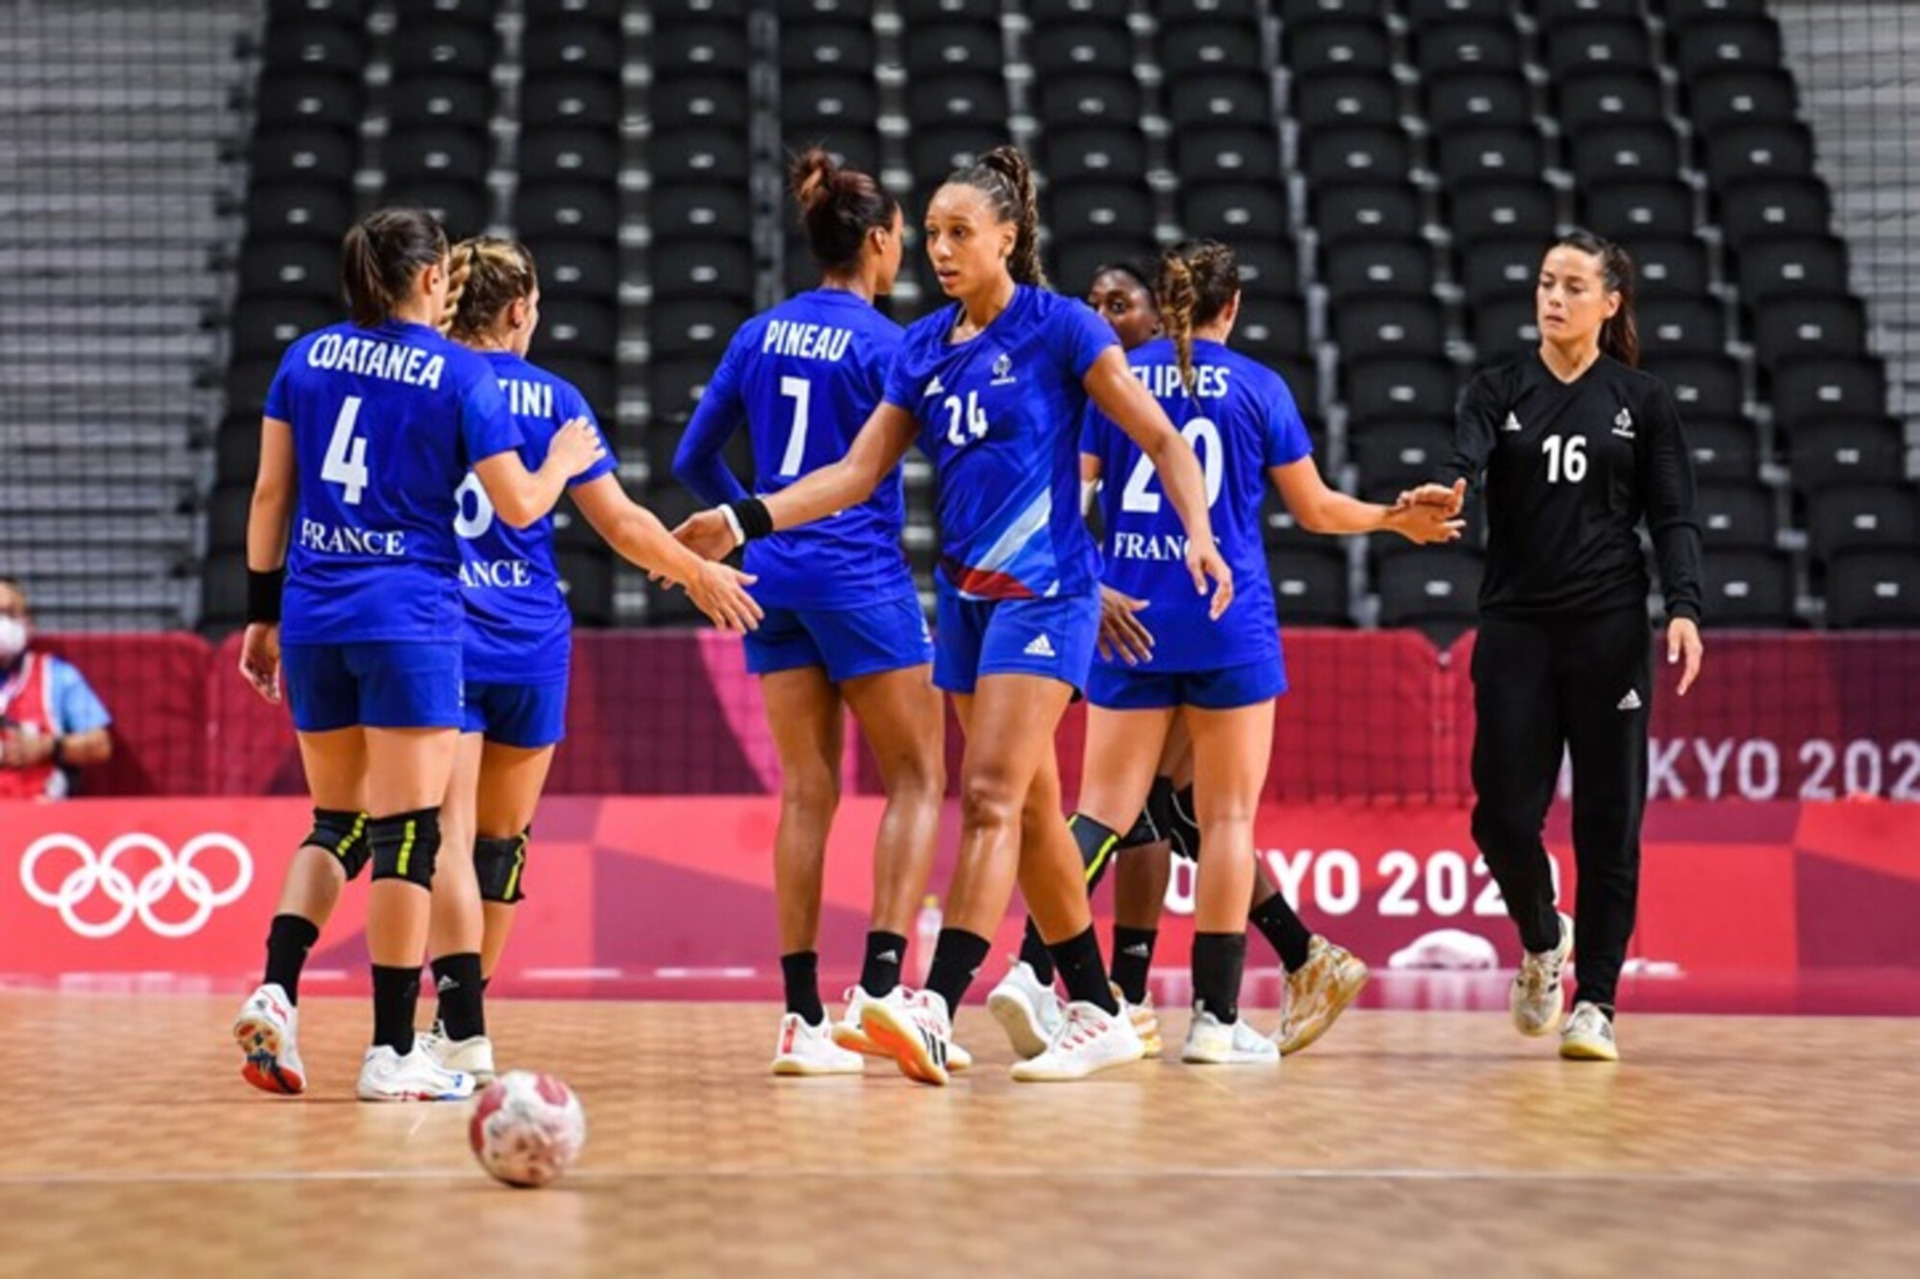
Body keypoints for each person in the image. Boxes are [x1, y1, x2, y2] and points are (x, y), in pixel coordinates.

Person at [677, 145, 1232, 1086]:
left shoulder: (1061, 329)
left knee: (986, 798)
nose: (938, 248)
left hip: (1048, 595)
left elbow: (1160, 435)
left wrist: (1201, 532)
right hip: (969, 602)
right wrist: (744, 517)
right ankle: (1097, 1009)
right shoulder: (923, 345)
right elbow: (855, 473)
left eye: (960, 232)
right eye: (930, 233)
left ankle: (931, 1002)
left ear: (1008, 239)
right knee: (1039, 813)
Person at [996, 239, 1458, 1065]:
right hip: (1225, 615)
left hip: (1130, 615)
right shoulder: (1260, 388)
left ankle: (1036, 968)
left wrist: (1087, 584)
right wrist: (1395, 517)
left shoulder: (1117, 379)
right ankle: (1215, 1019)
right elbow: (1314, 511)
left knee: (1101, 809)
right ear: (1232, 308)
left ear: (1164, 304)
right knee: (1226, 817)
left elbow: (1067, 494)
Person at [229, 207, 604, 1102]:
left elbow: (270, 492)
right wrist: (557, 464)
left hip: (315, 613)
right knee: (409, 833)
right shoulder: (458, 372)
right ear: (432, 279)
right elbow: (517, 506)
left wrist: (260, 615)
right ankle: (392, 1048)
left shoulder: (305, 357)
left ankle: (277, 987)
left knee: (335, 822)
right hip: (409, 621)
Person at [413, 235, 762, 1083]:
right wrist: (701, 571)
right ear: (522, 310)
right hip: (533, 639)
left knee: (448, 842)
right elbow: (626, 524)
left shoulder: (425, 385)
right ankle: (465, 1023)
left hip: (446, 628)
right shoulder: (556, 398)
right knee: (503, 845)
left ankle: (460, 1032)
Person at [671, 150, 950, 1077]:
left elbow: (693, 458)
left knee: (808, 791)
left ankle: (800, 1016)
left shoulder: (759, 333)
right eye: (905, 233)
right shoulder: (893, 345)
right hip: (861, 577)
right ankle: (879, 983)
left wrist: (751, 534)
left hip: (775, 581)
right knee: (917, 778)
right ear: (877, 241)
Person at [1400, 230, 1704, 1063]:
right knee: (1499, 815)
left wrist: (1683, 605)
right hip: (1516, 628)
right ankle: (1543, 935)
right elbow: (1464, 455)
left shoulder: (1641, 401)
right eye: (1545, 283)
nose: (1554, 298)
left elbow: (1672, 514)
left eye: (1574, 286)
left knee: (1611, 822)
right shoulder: (1498, 388)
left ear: (1610, 303)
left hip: (1609, 630)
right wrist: (1449, 486)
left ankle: (1596, 1000)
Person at [0, 575, 112, 800]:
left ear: (29, 625)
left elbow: (101, 745)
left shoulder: (57, 675)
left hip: (42, 816)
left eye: (10, 614)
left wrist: (47, 747)